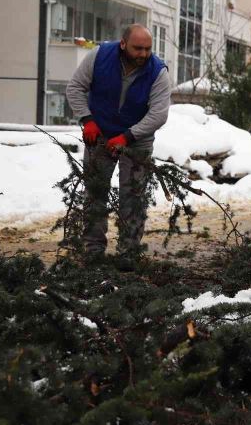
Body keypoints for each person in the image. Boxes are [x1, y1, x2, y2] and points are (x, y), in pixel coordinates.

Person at [66, 24, 172, 257]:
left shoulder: (157, 72)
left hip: (138, 139)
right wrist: (87, 119)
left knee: (133, 195)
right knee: (95, 192)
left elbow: (158, 115)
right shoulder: (99, 56)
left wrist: (127, 136)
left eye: (147, 49)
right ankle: (93, 249)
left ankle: (128, 251)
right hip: (100, 135)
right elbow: (75, 88)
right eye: (137, 48)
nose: (143, 54)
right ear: (123, 44)